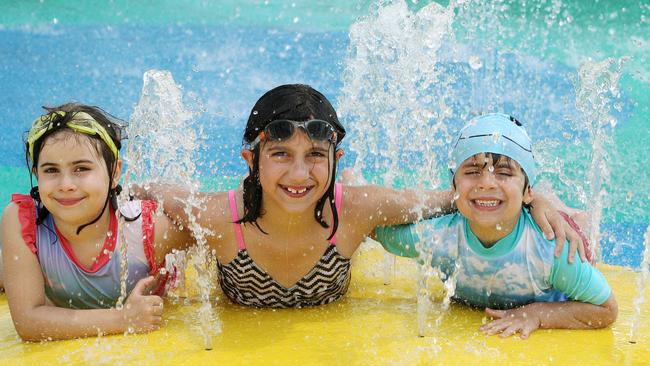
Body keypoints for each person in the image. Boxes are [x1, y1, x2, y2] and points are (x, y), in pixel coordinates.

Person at [135, 85, 585, 309]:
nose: (298, 173)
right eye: (279, 155)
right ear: (250, 161)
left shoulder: (356, 209)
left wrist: (534, 197)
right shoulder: (217, 218)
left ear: (336, 156)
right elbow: (157, 192)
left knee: (359, 189)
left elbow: (456, 196)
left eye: (315, 155)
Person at [375, 113, 617, 338]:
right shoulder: (436, 237)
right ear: (453, 187)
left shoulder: (550, 250)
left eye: (503, 172)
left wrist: (538, 314)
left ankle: (565, 212)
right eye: (472, 171)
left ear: (528, 190)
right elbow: (371, 224)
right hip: (515, 204)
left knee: (578, 227)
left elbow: (606, 309)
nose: (487, 183)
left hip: (546, 223)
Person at [1, 103, 191, 341]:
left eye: (81, 168)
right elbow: (28, 323)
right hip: (39, 263)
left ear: (114, 173)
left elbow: (214, 233)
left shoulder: (147, 228)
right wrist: (124, 319)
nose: (65, 184)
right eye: (50, 170)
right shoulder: (22, 221)